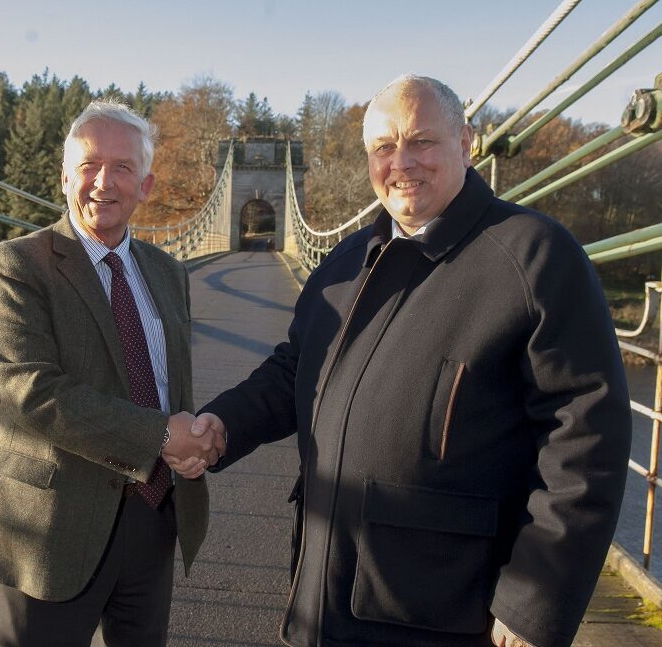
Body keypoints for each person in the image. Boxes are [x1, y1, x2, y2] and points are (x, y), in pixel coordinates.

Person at [186, 75, 631, 647]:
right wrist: (223, 425)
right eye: (384, 147)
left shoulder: (534, 255)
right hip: (325, 594)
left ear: (466, 144)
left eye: (421, 141)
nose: (402, 162)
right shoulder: (348, 260)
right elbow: (297, 369)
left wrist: (534, 600)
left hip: (442, 611)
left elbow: (586, 435)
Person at [0, 99, 224, 646]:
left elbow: (168, 386)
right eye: (88, 165)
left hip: (152, 517)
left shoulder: (167, 272)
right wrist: (161, 435)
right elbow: (33, 392)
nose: (103, 182)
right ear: (64, 178)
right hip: (50, 525)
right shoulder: (11, 266)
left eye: (123, 167)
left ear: (147, 185)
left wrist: (193, 442)